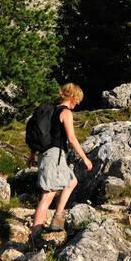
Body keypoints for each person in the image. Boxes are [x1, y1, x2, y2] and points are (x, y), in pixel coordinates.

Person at [30, 82, 92, 243]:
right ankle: (35, 235)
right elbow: (71, 139)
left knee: (72, 181)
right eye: (76, 101)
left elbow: (43, 134)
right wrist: (84, 158)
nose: (76, 104)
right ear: (72, 97)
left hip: (50, 156)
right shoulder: (66, 113)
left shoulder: (51, 112)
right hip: (53, 157)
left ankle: (57, 218)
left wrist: (33, 154)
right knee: (48, 195)